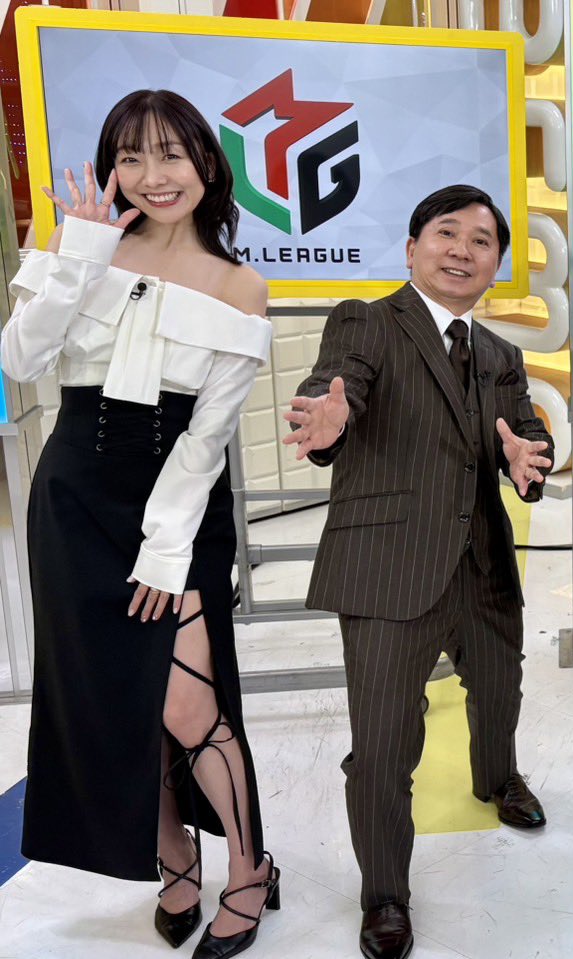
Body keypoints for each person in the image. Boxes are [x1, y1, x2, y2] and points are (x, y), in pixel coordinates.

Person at [3, 90, 277, 959]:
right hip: (74, 501)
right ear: (112, 168)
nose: (152, 175)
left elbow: (207, 439)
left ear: (206, 164)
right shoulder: (78, 247)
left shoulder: (241, 285)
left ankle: (250, 867)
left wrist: (165, 551)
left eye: (170, 154)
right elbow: (20, 359)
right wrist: (76, 255)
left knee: (189, 705)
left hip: (179, 508)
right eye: (130, 157)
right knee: (115, 699)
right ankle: (174, 861)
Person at [283, 184, 554, 959]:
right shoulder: (367, 322)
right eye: (446, 233)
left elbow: (525, 439)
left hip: (483, 562)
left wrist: (527, 461)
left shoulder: (500, 354)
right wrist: (327, 417)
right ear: (411, 249)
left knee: (499, 687)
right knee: (383, 744)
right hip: (389, 565)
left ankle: (497, 777)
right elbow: (338, 384)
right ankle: (384, 895)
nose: (463, 250)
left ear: (496, 265)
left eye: (481, 241)